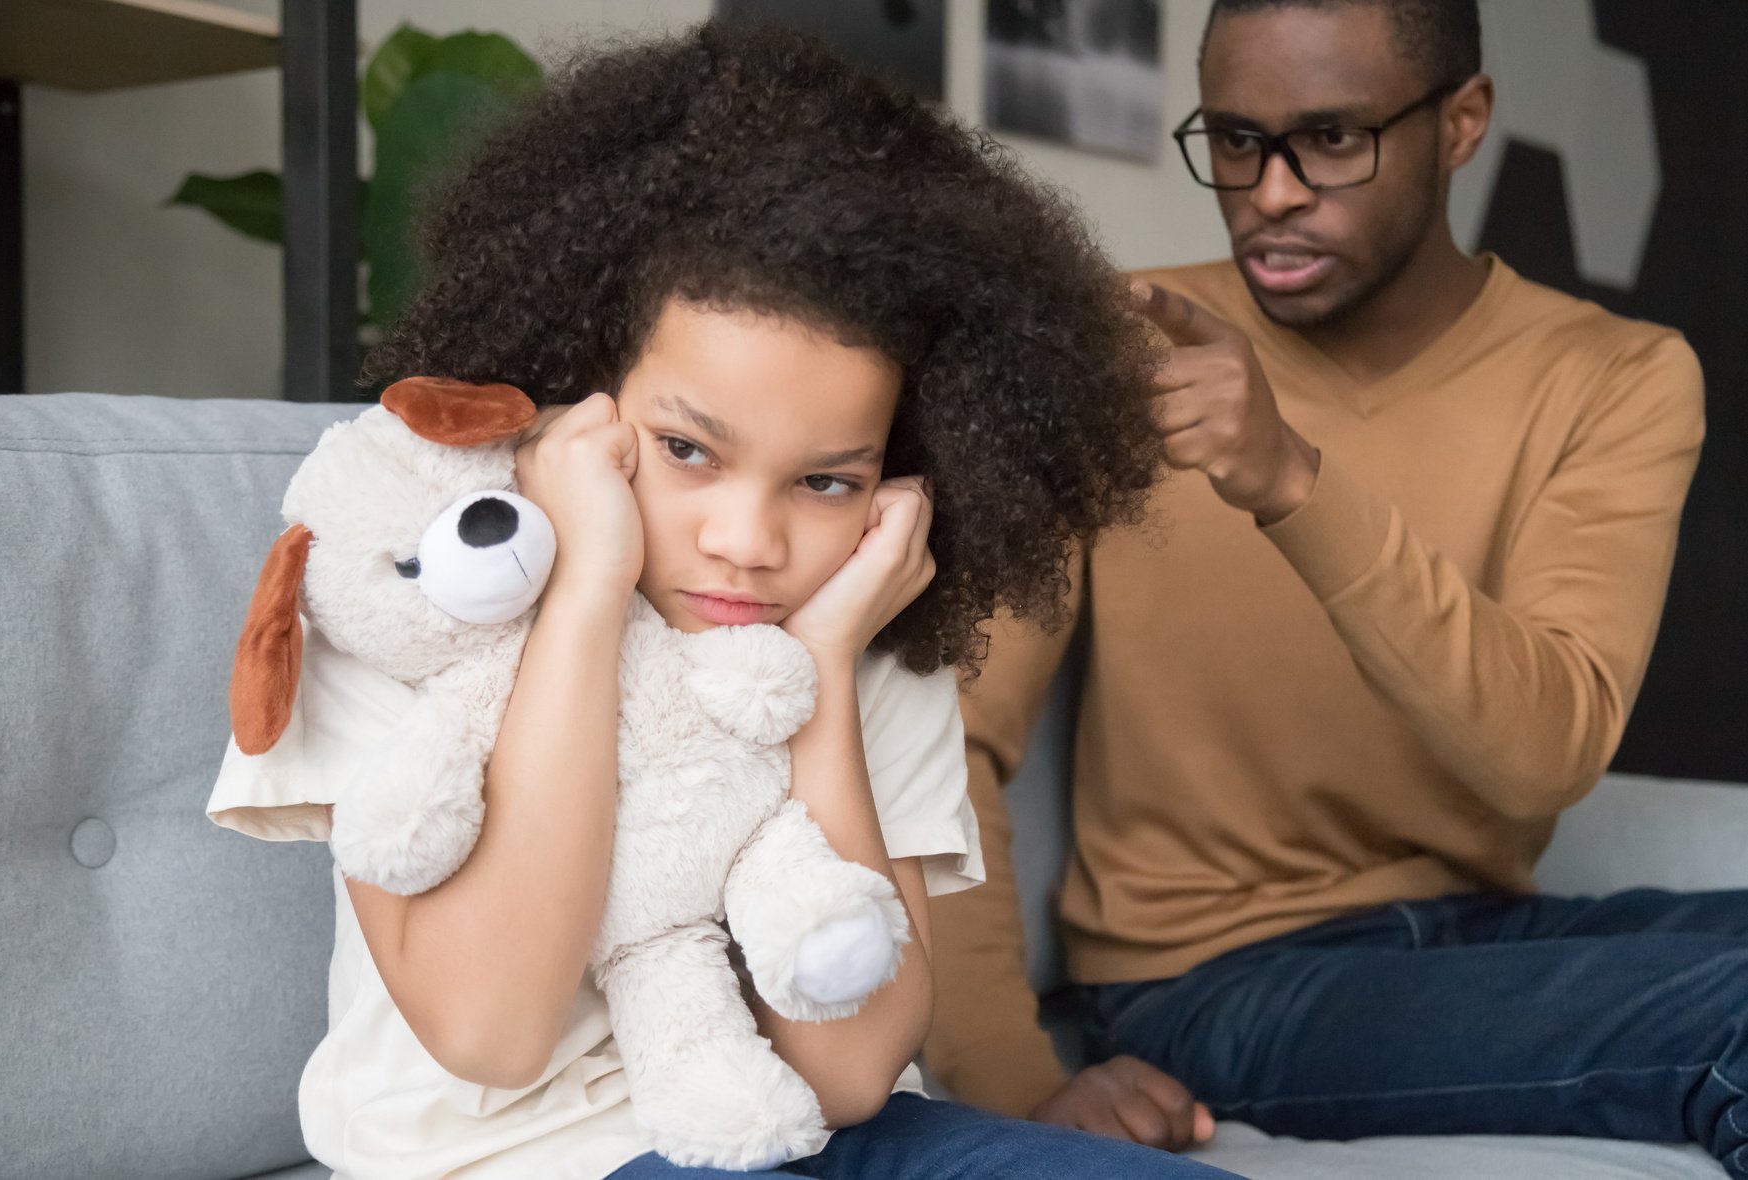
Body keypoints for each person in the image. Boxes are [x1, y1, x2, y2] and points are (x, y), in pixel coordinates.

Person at [205, 21, 1242, 1180]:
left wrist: (832, 664)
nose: (749, 543)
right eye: (689, 450)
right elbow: (492, 1029)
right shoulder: (410, 592)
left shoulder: (858, 631)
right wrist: (586, 590)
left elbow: (847, 1076)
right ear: (582, 392)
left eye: (825, 480)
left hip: (823, 1135)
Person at [927, 0, 1723, 1167]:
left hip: (1484, 933)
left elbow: (1545, 747)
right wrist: (1011, 1078)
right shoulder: (1113, 348)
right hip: (1208, 978)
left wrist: (1293, 481)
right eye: (1236, 140)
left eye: (1332, 139)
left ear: (1461, 123)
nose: (1271, 193)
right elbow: (947, 738)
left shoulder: (1616, 377)